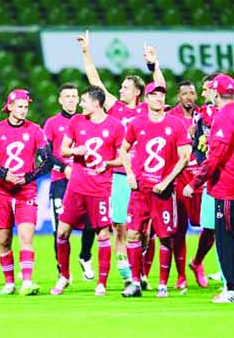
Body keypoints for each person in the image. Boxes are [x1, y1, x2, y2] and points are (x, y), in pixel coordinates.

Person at [78, 30, 166, 287]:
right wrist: (86, 52)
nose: (120, 89)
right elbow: (96, 82)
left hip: (146, 175)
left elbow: (159, 87)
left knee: (146, 229)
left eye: (126, 87)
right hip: (119, 175)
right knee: (120, 226)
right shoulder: (115, 108)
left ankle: (143, 273)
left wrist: (153, 65)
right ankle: (125, 268)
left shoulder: (147, 109)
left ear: (138, 91)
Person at [50, 86, 124, 296]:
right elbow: (62, 150)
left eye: (83, 100)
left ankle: (102, 282)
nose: (80, 104)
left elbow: (122, 158)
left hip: (100, 188)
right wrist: (74, 150)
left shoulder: (116, 126)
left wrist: (107, 164)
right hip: (76, 187)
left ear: (96, 103)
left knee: (102, 235)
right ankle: (64, 276)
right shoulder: (77, 122)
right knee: (62, 232)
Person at [120, 82, 191, 298]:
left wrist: (168, 181)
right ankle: (134, 282)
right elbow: (123, 149)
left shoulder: (176, 124)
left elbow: (185, 157)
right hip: (140, 190)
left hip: (164, 192)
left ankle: (162, 284)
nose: (158, 98)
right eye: (154, 95)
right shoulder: (136, 123)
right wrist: (130, 174)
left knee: (165, 237)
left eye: (161, 95)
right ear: (147, 98)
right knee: (133, 234)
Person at [184, 74, 234, 303]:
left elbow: (215, 157)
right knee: (231, 237)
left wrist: (194, 184)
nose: (206, 93)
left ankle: (233, 290)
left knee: (226, 239)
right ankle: (233, 286)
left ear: (215, 91)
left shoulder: (224, 116)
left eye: (209, 89)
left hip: (227, 186)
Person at [0, 89, 51, 296]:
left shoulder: (35, 130)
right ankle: (9, 283)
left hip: (26, 192)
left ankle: (27, 281)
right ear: (9, 107)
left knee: (26, 237)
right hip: (2, 192)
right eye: (20, 106)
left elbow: (47, 160)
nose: (23, 111)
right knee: (3, 240)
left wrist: (28, 177)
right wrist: (4, 174)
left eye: (26, 107)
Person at [44, 83, 96, 281]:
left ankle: (85, 256)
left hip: (86, 179)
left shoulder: (88, 121)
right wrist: (63, 167)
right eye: (67, 96)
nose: (71, 100)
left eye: (74, 96)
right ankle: (62, 270)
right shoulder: (52, 123)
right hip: (61, 181)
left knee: (93, 222)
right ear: (60, 100)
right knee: (60, 227)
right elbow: (46, 155)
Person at [168, 80, 199, 291]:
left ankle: (197, 262)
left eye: (191, 93)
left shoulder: (207, 116)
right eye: (184, 93)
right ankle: (181, 275)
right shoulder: (171, 118)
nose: (188, 97)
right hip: (180, 177)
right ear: (179, 97)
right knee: (179, 230)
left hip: (202, 178)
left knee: (210, 226)